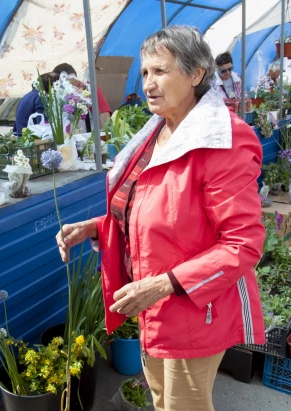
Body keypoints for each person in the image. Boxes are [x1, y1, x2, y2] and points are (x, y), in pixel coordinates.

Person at [56, 26, 265, 411]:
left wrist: (163, 285)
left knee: (183, 405)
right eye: (146, 73)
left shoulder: (222, 141)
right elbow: (151, 209)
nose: (148, 84)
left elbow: (243, 245)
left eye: (161, 71)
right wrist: (98, 228)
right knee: (161, 400)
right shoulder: (157, 132)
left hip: (192, 309)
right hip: (154, 305)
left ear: (196, 74)